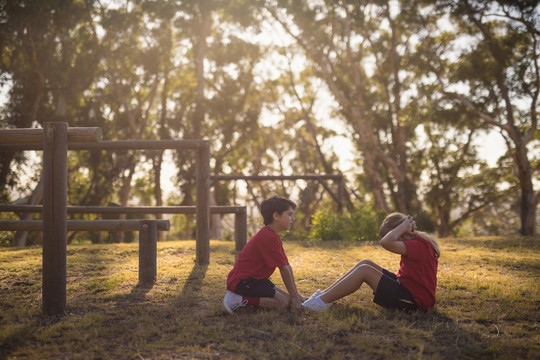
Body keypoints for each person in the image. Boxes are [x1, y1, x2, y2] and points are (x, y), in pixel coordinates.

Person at [303, 212, 440, 312]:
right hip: (407, 290)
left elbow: (385, 242)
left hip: (413, 301)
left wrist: (403, 226)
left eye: (395, 236)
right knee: (365, 263)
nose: (395, 241)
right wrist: (402, 228)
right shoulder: (418, 242)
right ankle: (322, 297)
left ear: (402, 232)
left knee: (364, 271)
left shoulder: (418, 246)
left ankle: (319, 303)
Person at [222, 195, 307, 314]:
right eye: (289, 214)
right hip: (242, 282)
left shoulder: (273, 236)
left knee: (289, 299)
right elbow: (283, 269)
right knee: (284, 303)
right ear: (276, 216)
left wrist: (296, 295)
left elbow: (287, 266)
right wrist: (294, 298)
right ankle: (238, 299)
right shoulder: (267, 236)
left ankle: (241, 297)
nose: (293, 219)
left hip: (256, 280)